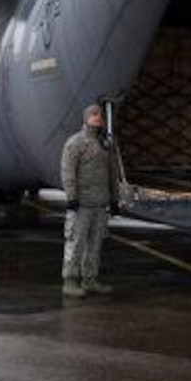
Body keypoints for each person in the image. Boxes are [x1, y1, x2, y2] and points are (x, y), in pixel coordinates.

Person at [60, 102, 124, 297]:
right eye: (94, 114)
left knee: (95, 245)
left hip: (99, 204)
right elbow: (67, 171)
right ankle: (70, 281)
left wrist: (114, 199)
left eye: (100, 114)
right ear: (86, 117)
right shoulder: (75, 143)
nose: (98, 117)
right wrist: (71, 197)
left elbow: (112, 173)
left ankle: (90, 279)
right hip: (82, 204)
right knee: (76, 243)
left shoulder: (106, 144)